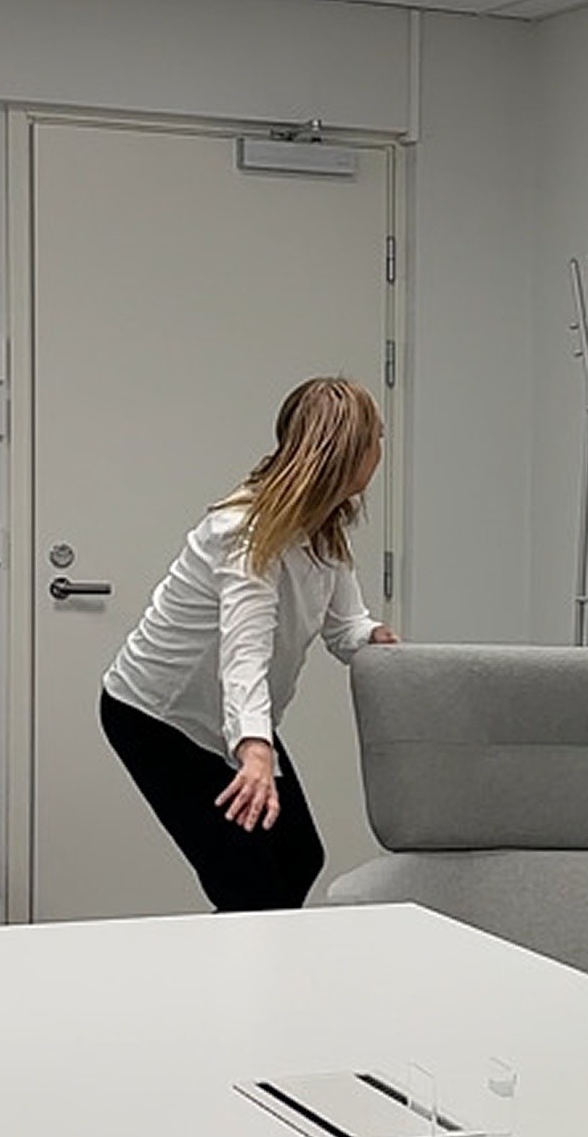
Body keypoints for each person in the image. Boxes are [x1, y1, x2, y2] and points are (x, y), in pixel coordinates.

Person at [100, 376, 398, 912]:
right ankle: (237, 963)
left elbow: (344, 626)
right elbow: (244, 653)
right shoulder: (244, 531)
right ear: (348, 452)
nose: (381, 448)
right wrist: (255, 750)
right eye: (375, 437)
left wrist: (371, 638)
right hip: (157, 718)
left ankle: (250, 954)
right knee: (249, 884)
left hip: (229, 715)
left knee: (299, 857)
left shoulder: (325, 527)